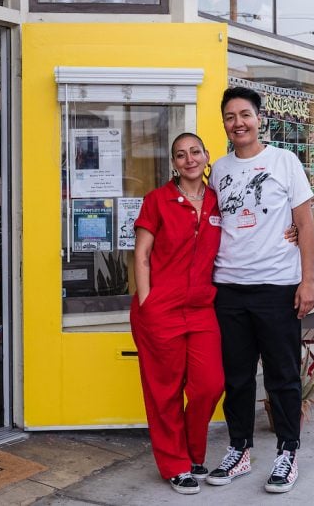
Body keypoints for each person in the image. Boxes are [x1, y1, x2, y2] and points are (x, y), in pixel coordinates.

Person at [205, 86, 314, 494]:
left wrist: (308, 281)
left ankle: (288, 452)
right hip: (230, 287)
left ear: (259, 118)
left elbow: (305, 225)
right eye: (231, 117)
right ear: (225, 124)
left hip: (277, 285)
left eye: (245, 115)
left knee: (282, 376)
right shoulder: (218, 169)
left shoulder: (285, 161)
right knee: (236, 377)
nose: (238, 123)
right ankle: (239, 449)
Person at [131, 133, 225, 495]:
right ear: (174, 163)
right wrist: (146, 302)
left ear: (206, 156)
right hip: (160, 309)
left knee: (209, 385)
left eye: (195, 152)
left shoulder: (218, 202)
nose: (189, 159)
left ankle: (191, 451)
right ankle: (175, 464)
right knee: (164, 392)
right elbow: (141, 255)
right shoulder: (157, 200)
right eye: (181, 155)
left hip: (202, 307)